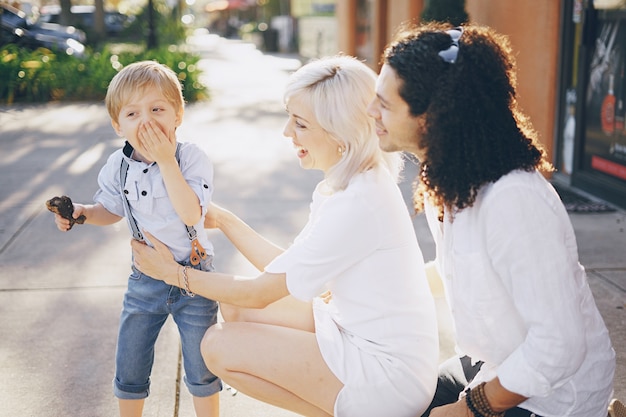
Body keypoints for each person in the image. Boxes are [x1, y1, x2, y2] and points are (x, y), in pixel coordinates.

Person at [130, 55, 440, 417]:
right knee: (233, 308)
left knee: (217, 345)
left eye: (301, 124)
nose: (287, 132)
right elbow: (286, 270)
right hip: (357, 334)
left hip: (386, 376)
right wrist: (226, 221)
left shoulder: (356, 203)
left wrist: (171, 273)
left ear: (340, 132)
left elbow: (260, 293)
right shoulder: (351, 181)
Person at [366, 21, 616, 417]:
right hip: (491, 364)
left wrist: (470, 409)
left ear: (432, 118)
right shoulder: (452, 177)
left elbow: (560, 345)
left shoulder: (512, 201)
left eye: (384, 103)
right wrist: (367, 288)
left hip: (554, 400)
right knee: (381, 396)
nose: (370, 111)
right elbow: (452, 272)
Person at [49, 60, 221, 417]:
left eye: (157, 109)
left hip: (195, 277)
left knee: (202, 365)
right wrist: (81, 212)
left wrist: (166, 162)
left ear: (178, 115)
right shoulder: (119, 165)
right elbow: (109, 209)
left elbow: (191, 214)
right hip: (146, 279)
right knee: (130, 361)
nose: (146, 121)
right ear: (117, 125)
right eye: (132, 113)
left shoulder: (191, 159)